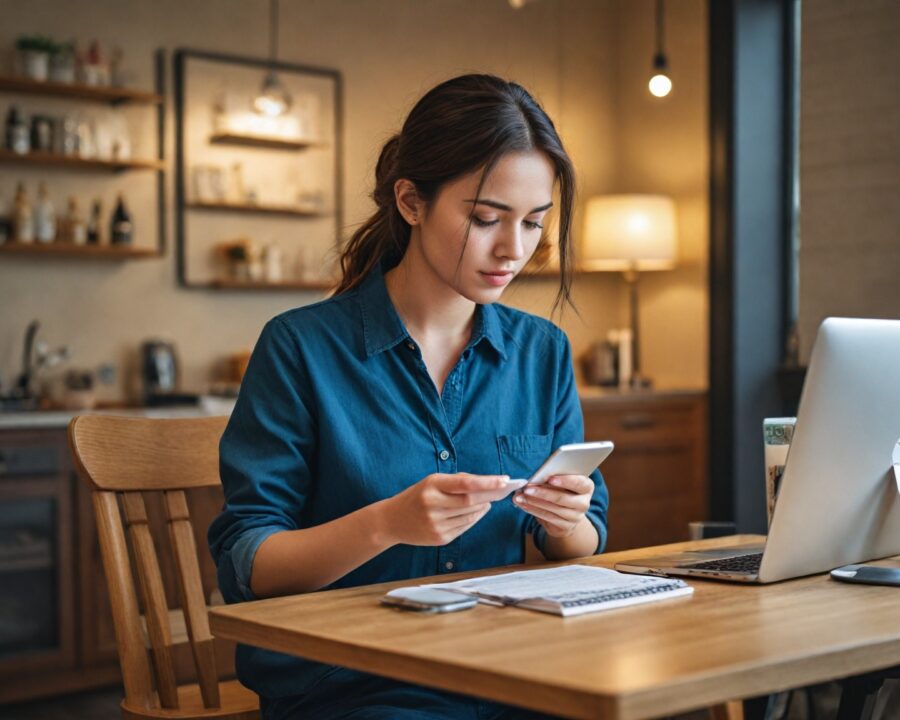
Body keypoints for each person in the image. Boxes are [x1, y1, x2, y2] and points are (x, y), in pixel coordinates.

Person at [208, 73, 610, 720]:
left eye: (534, 223)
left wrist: (569, 522)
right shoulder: (301, 348)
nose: (514, 250)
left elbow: (585, 540)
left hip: (512, 667)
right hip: (352, 685)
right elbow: (249, 562)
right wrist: (386, 524)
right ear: (411, 201)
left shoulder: (544, 352)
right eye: (486, 219)